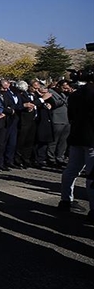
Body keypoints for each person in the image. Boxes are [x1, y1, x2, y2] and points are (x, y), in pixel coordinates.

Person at [57, 70, 94, 222]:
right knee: (92, 175)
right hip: (92, 139)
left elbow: (71, 116)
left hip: (77, 136)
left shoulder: (75, 94)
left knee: (71, 170)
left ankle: (66, 200)